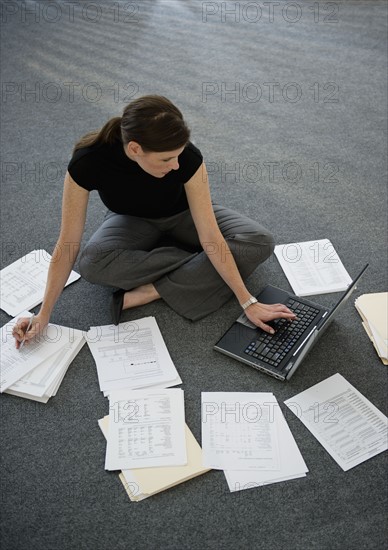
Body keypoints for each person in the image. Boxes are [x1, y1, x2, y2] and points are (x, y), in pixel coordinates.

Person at [13, 95, 295, 348]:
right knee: (92, 264)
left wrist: (248, 302)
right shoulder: (88, 161)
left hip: (185, 216)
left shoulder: (187, 157)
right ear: (135, 149)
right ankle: (198, 264)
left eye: (178, 155)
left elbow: (209, 233)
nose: (175, 165)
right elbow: (68, 242)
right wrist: (44, 313)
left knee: (258, 242)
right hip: (131, 221)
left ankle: (152, 291)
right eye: (166, 159)